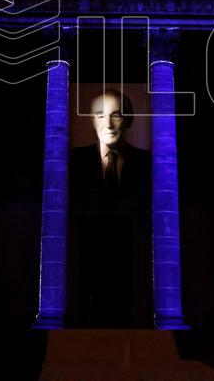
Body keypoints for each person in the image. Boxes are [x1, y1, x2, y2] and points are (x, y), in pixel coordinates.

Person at [68, 89, 152, 327]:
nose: (109, 123)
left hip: (131, 251)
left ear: (127, 119)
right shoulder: (74, 161)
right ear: (93, 120)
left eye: (116, 115)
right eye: (100, 115)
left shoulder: (148, 163)